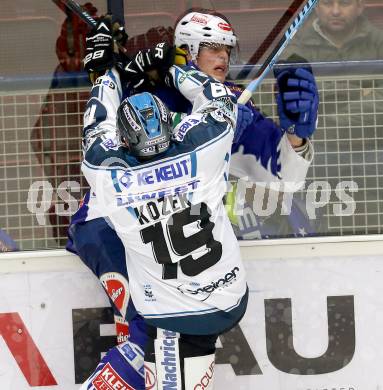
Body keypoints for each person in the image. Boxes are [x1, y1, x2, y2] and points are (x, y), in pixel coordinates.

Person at [70, 10, 319, 388]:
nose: (223, 58)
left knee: (159, 337)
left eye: (227, 50)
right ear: (185, 50)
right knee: (147, 329)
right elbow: (101, 118)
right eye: (212, 48)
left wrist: (297, 136)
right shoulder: (148, 93)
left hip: (169, 245)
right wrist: (111, 69)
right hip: (107, 226)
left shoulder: (231, 108)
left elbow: (283, 175)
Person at [80, 59, 248, 388]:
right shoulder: (205, 149)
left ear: (124, 141)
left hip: (171, 317)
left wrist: (110, 73)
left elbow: (96, 126)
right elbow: (216, 97)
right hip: (229, 297)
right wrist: (171, 66)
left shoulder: (108, 174)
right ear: (169, 126)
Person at [283, 0, 383, 62]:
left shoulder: (378, 41)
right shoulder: (296, 42)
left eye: (344, 3)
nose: (336, 11)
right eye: (327, 3)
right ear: (316, 7)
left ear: (359, 7)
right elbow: (289, 85)